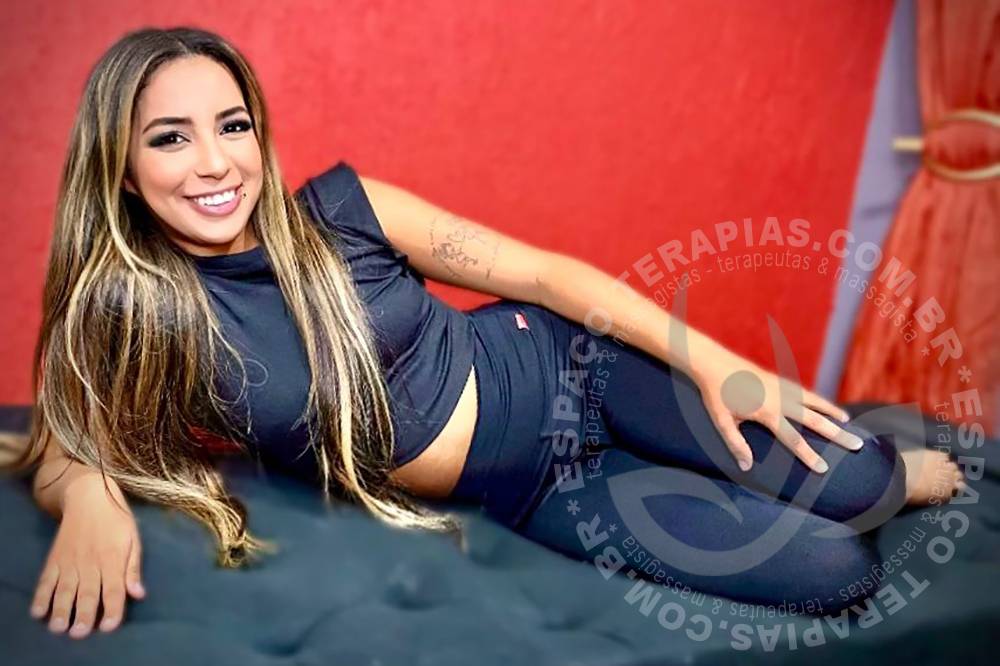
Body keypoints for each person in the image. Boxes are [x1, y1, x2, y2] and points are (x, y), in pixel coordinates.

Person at [2, 26, 966, 641]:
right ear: (120, 166)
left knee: (860, 486)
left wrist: (721, 366)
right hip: (536, 489)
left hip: (578, 369)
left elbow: (542, 274)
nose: (215, 163)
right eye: (170, 137)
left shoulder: (342, 211)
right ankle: (744, 476)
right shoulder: (138, 313)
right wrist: (87, 501)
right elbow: (69, 438)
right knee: (834, 571)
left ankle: (882, 467)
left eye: (233, 125)